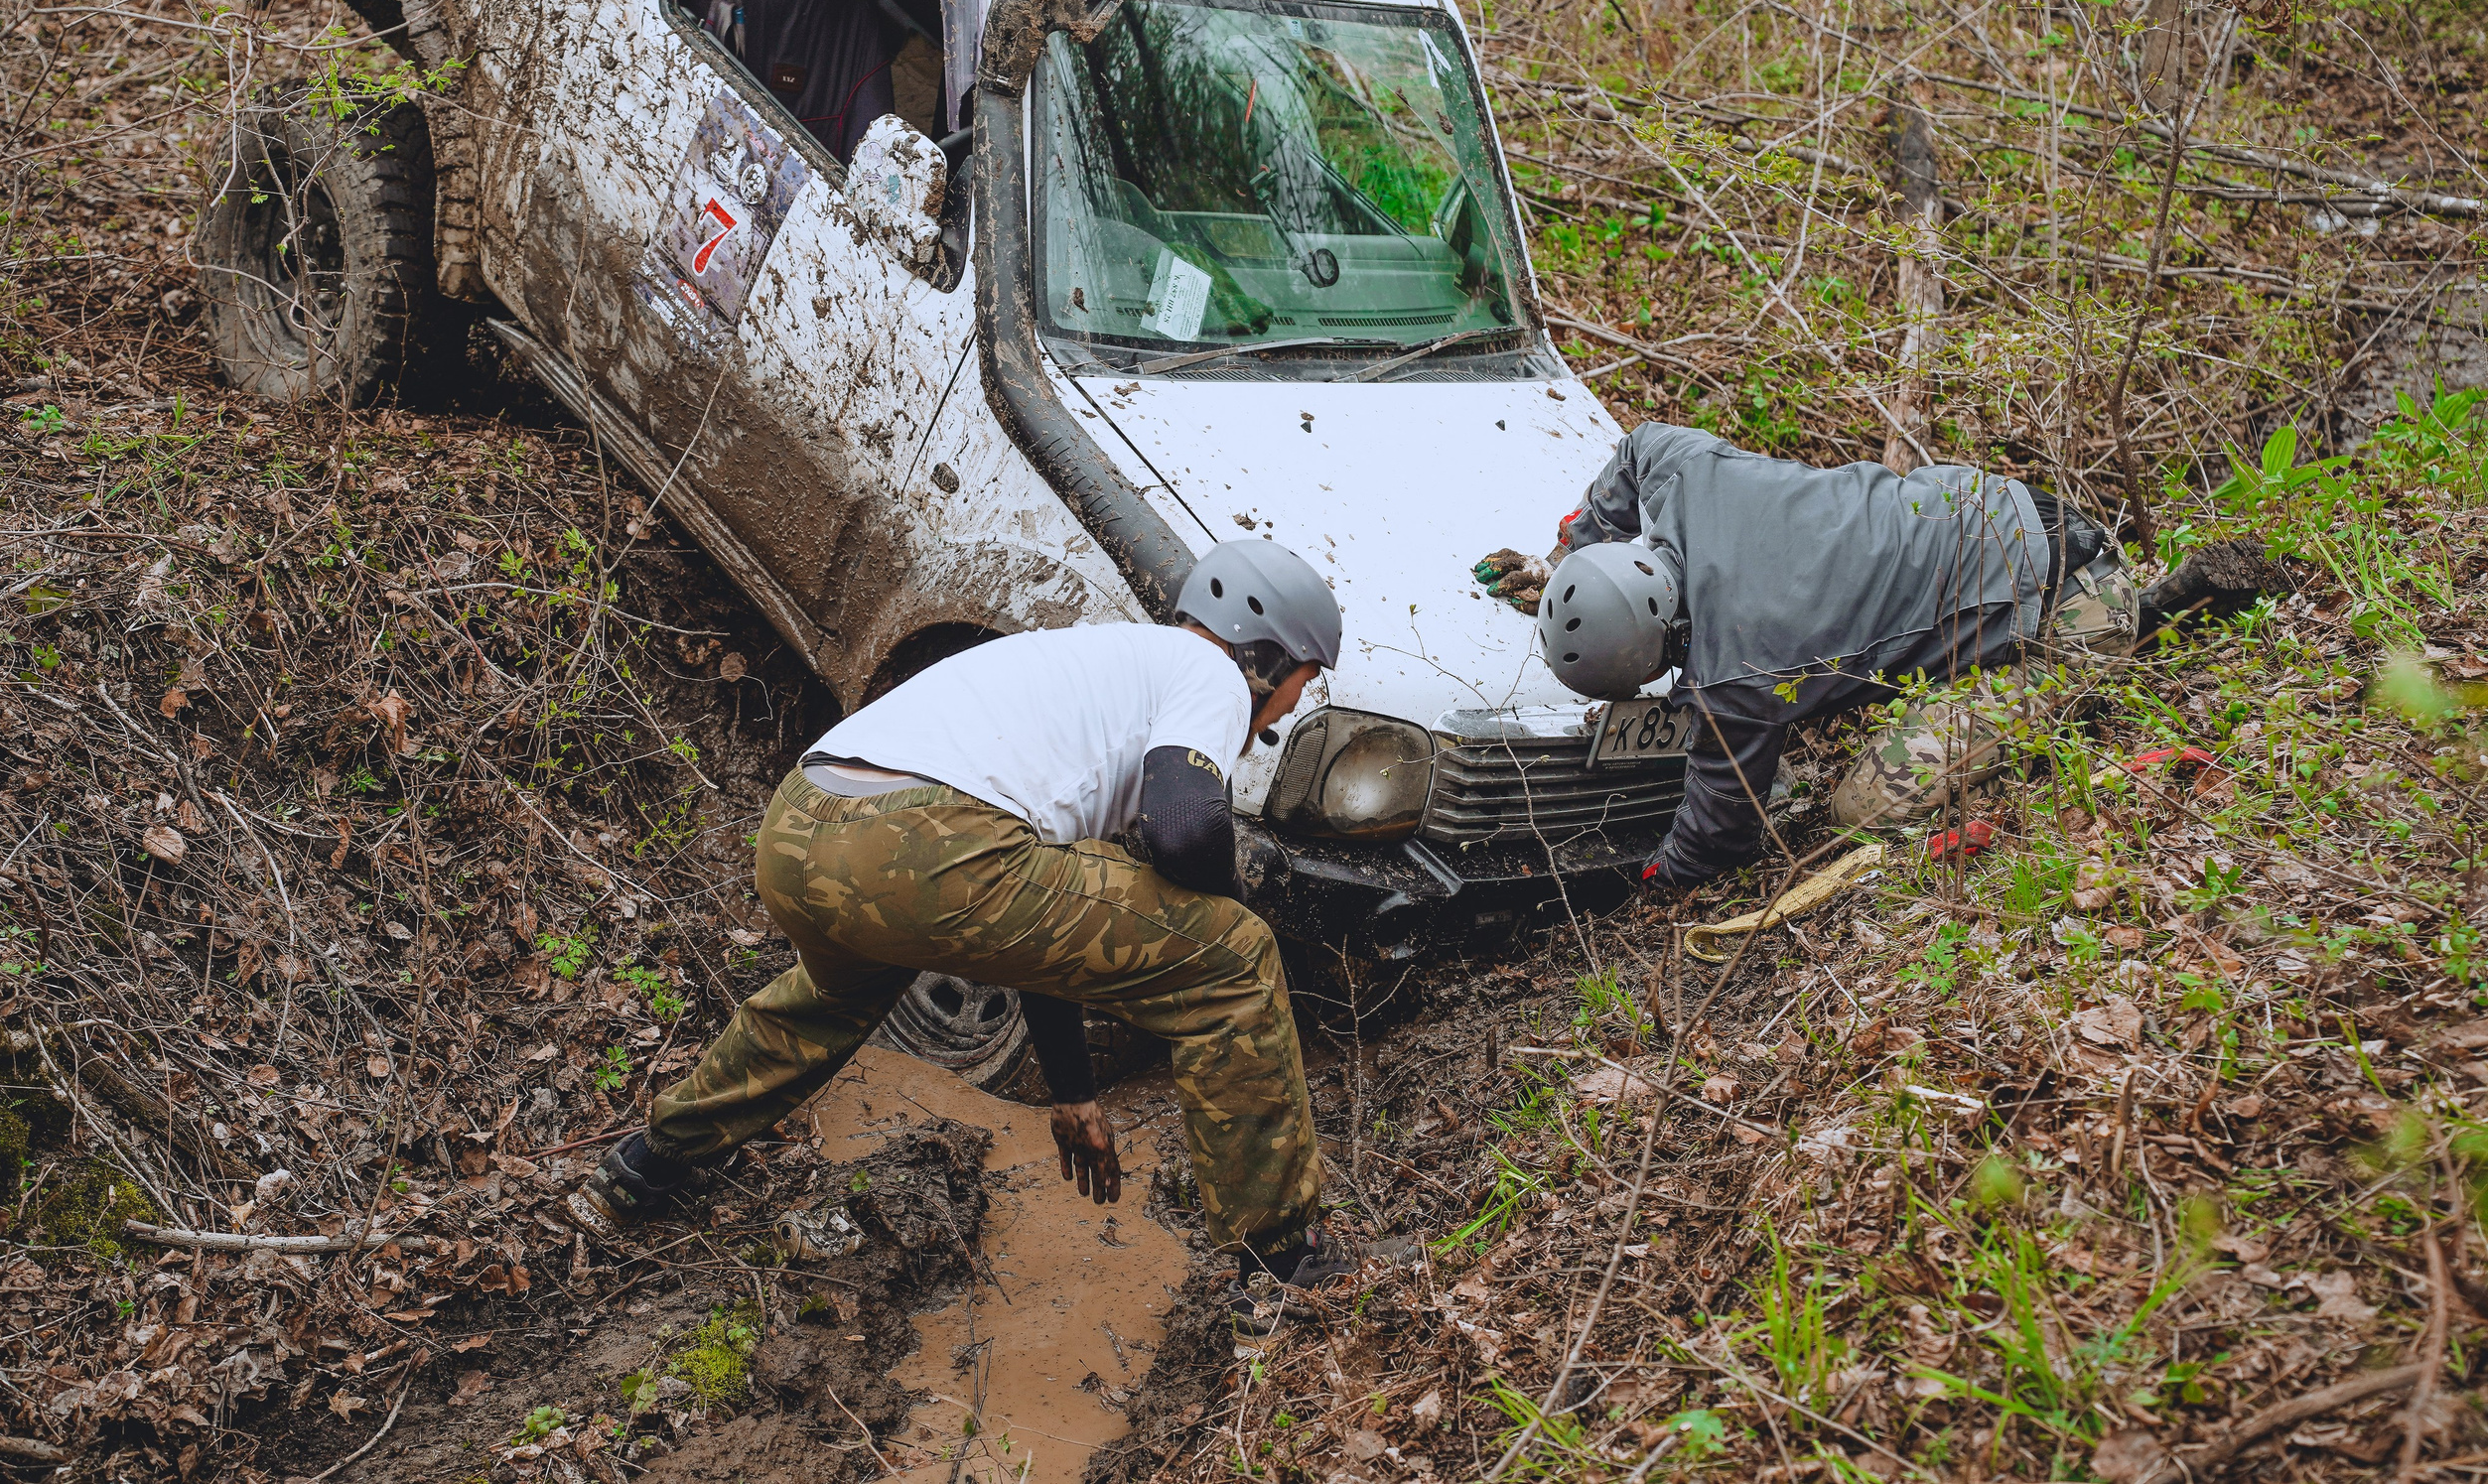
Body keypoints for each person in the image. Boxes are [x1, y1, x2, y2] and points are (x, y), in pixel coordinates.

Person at [569, 538, 1357, 1320]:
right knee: (1235, 955)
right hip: (917, 842)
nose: (1288, 709)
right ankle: (1283, 1262)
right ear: (1266, 654)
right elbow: (1185, 828)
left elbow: (1043, 931)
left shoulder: (1098, 663)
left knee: (826, 1001)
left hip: (801, 827)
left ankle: (644, 1167)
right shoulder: (1209, 675)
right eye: (1302, 684)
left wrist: (1074, 1091)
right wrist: (1218, 911)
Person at [1476, 422, 2142, 888]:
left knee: (1865, 809)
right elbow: (1638, 444)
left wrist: (1656, 874)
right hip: (2015, 508)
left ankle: (2041, 757)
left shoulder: (1736, 674)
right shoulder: (1683, 475)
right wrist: (1569, 553)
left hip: (2075, 615)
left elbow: (1720, 837)